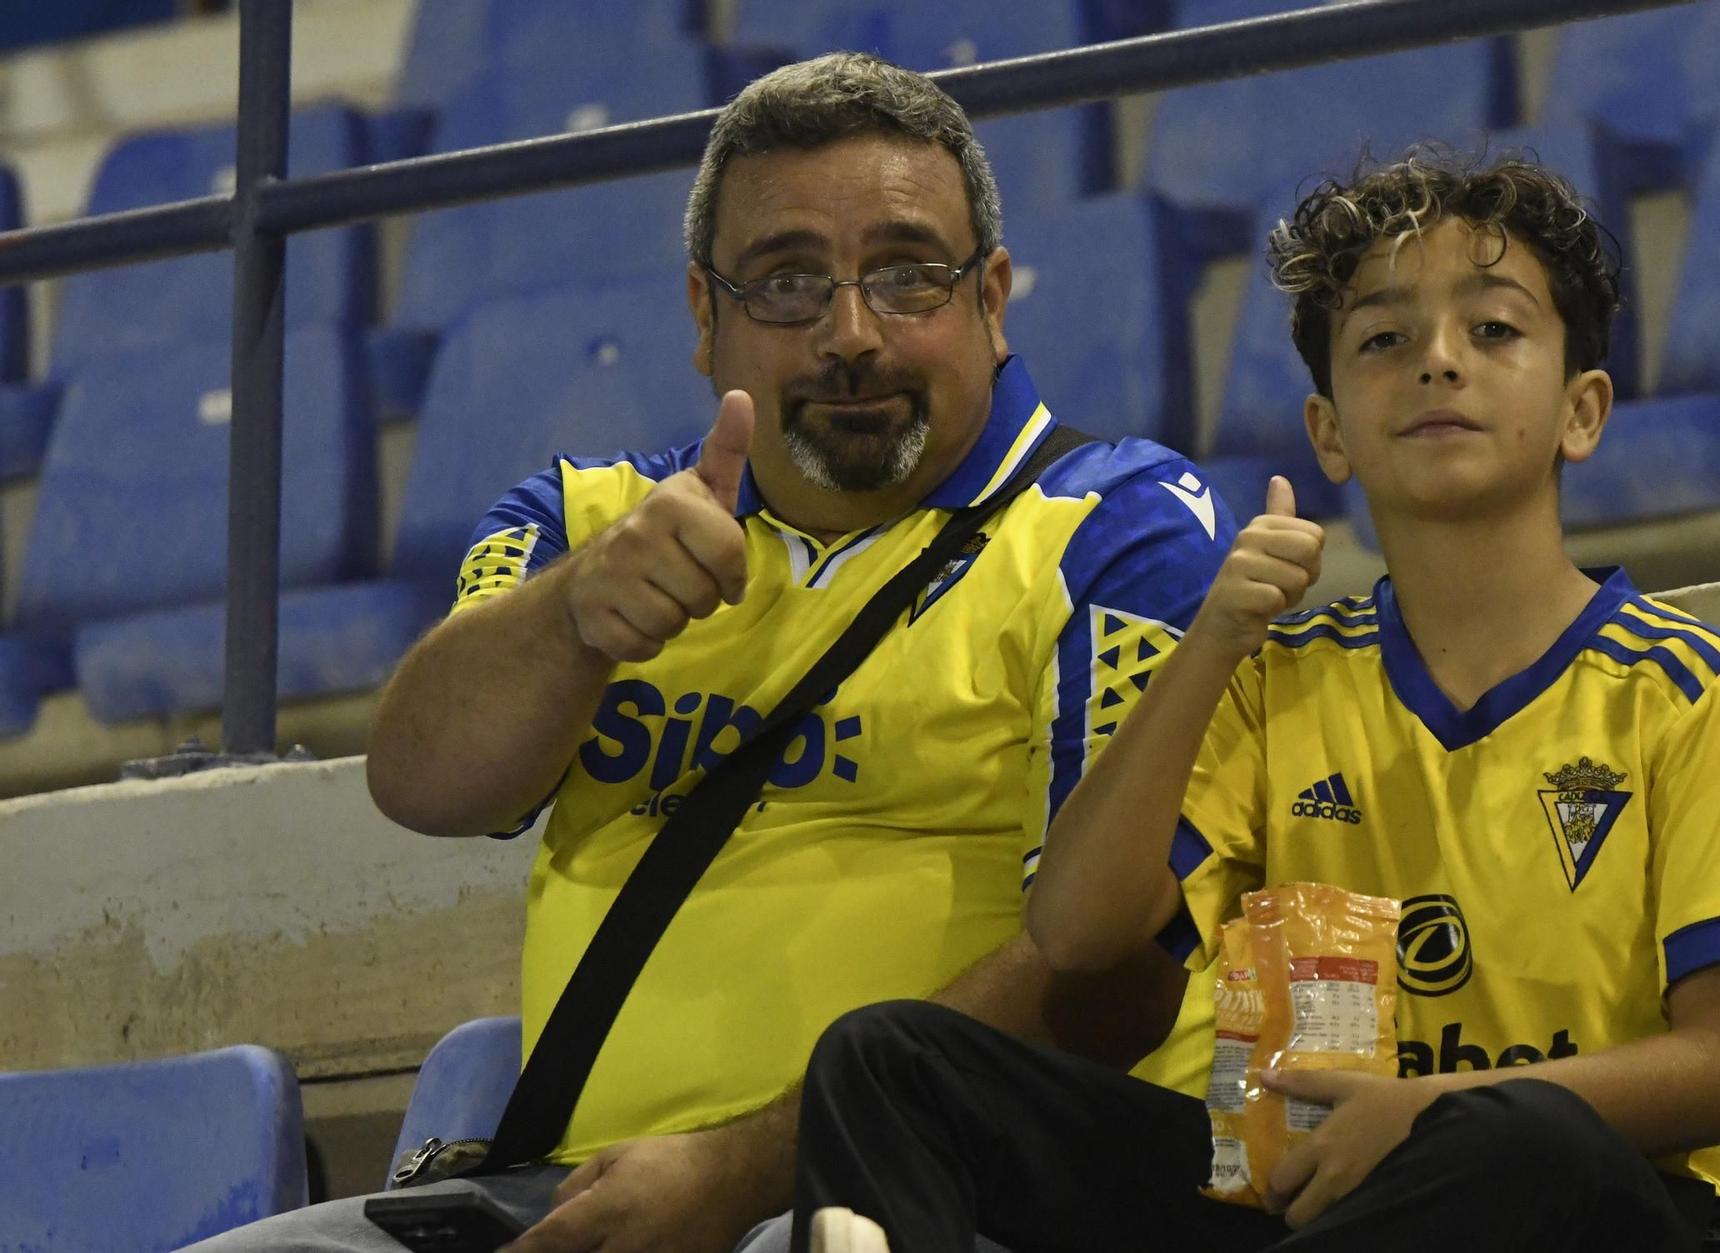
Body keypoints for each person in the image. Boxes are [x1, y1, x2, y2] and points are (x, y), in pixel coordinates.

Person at [186, 52, 1236, 1253]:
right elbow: (422, 780)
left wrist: (733, 1173)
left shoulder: (1118, 525)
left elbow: (1108, 979)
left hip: (922, 1185)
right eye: (787, 282)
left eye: (905, 274)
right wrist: (577, 612)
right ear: (705, 317)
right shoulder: (584, 520)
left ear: (991, 298)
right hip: (575, 1190)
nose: (850, 333)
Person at [790, 151, 1720, 1253]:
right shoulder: (1271, 677)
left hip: (1597, 1206)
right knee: (888, 1059)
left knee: (1522, 1136)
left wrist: (1426, 1110)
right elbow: (1074, 930)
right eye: (1382, 339)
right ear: (1328, 432)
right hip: (1312, 1200)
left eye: (1491, 330)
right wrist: (1212, 642)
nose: (1436, 362)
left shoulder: (1694, 691)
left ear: (1581, 410)